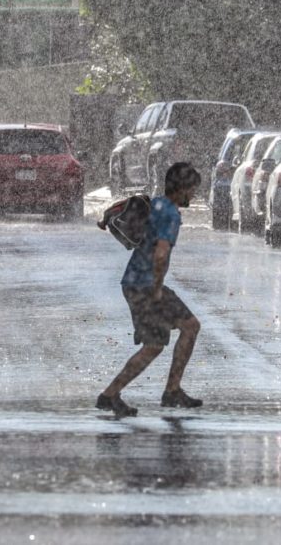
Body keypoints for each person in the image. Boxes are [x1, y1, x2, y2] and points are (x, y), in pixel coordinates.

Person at [97, 162, 204, 418]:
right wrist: (157, 290)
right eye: (192, 190)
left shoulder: (157, 204)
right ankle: (110, 395)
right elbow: (160, 254)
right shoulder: (171, 214)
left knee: (188, 327)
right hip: (145, 286)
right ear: (181, 189)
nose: (193, 195)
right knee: (154, 345)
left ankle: (171, 390)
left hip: (137, 282)